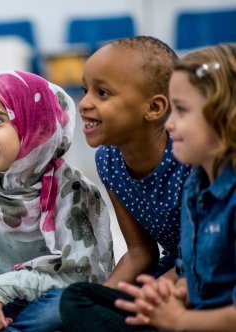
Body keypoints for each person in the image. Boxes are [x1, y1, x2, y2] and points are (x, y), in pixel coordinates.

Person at [0, 70, 114, 332]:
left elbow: (77, 274)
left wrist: (0, 290)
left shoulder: (72, 189)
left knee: (70, 304)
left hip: (48, 298)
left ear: (37, 127)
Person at [59, 36, 192, 331]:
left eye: (102, 92)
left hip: (205, 272)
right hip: (171, 272)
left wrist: (148, 298)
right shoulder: (109, 160)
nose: (84, 103)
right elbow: (140, 252)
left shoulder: (191, 156)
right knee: (76, 301)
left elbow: (200, 260)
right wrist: (105, 297)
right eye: (85, 90)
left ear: (154, 108)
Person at [112, 43, 236, 331]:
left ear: (225, 116)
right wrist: (170, 293)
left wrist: (181, 320)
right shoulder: (195, 187)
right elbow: (199, 278)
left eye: (181, 110)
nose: (169, 124)